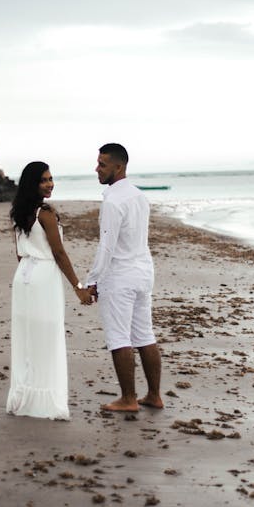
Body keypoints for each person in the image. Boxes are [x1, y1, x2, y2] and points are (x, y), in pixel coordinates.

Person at [7, 161, 92, 420]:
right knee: (47, 337)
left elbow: (20, 253)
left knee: (27, 339)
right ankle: (44, 402)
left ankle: (24, 397)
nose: (50, 183)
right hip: (43, 277)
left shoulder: (20, 211)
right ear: (33, 184)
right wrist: (78, 287)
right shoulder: (45, 213)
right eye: (44, 179)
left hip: (23, 278)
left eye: (51, 178)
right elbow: (58, 253)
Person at [86, 143, 163, 413]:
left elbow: (107, 246)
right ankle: (154, 395)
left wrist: (91, 281)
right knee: (145, 334)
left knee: (119, 337)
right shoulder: (139, 196)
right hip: (143, 271)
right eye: (97, 163)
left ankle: (128, 399)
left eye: (102, 164)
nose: (97, 168)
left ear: (119, 167)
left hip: (120, 275)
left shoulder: (114, 200)